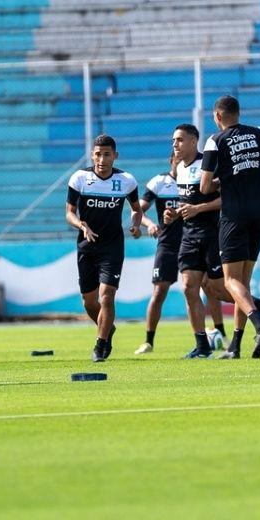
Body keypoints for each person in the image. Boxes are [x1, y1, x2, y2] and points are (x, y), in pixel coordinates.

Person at [201, 95, 260, 359]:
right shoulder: (258, 132)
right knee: (244, 282)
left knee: (230, 281)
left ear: (217, 117)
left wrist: (222, 180)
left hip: (233, 214)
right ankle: (236, 345)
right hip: (258, 212)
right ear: (238, 113)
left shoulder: (215, 140)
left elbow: (205, 186)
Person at [65, 135, 143, 362]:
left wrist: (136, 225)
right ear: (92, 155)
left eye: (107, 154)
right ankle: (108, 327)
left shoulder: (126, 180)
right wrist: (81, 225)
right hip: (86, 245)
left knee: (107, 296)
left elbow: (136, 209)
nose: (102, 159)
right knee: (89, 302)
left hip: (112, 246)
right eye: (98, 154)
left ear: (115, 156)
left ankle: (101, 344)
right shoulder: (80, 178)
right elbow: (69, 212)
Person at [168, 123, 229, 358]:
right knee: (188, 287)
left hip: (212, 234)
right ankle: (203, 346)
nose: (175, 145)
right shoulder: (179, 169)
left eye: (180, 140)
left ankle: (256, 305)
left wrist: (198, 209)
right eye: (174, 141)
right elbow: (186, 205)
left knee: (217, 289)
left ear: (194, 141)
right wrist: (173, 214)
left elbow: (227, 199)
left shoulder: (208, 164)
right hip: (189, 235)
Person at [135, 153, 182, 354]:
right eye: (177, 161)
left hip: (195, 241)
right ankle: (148, 341)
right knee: (159, 290)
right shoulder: (160, 182)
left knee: (209, 287)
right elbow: (138, 210)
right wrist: (149, 224)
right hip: (168, 244)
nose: (181, 164)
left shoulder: (197, 179)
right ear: (171, 161)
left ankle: (220, 334)